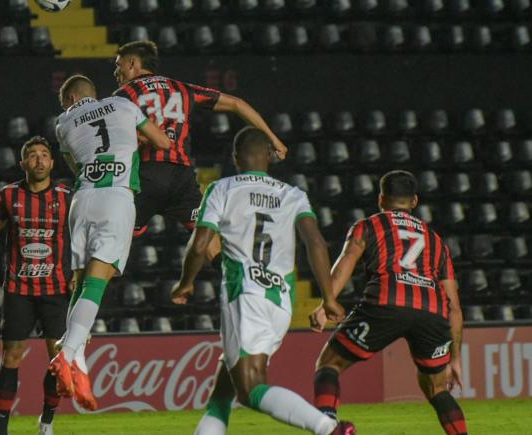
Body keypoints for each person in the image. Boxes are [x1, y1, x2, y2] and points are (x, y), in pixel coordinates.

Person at [171, 127, 355, 435]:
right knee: (222, 396)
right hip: (280, 298)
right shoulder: (293, 194)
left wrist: (186, 281)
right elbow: (316, 244)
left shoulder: (223, 189)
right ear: (270, 156)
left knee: (250, 388)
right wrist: (329, 298)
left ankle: (329, 429)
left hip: (245, 292)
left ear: (235, 158)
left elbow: (201, 242)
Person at [309, 170, 466, 435]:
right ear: (415, 201)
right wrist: (456, 357)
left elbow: (346, 262)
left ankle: (327, 427)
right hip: (431, 309)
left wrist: (327, 302)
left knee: (329, 364)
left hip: (386, 301)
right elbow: (455, 307)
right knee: (437, 388)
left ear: (381, 199)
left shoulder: (368, 225)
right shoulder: (436, 241)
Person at [49, 74, 171, 411]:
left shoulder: (64, 121)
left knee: (80, 283)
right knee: (97, 284)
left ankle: (79, 367)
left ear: (72, 97)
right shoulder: (124, 105)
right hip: (116, 196)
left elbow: (75, 164)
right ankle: (66, 354)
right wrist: (133, 140)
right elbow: (162, 143)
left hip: (82, 198)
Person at [113, 40, 288, 243]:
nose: (116, 71)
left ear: (132, 62)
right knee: (206, 241)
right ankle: (229, 274)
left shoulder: (123, 96)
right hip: (182, 177)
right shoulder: (181, 89)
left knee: (114, 241)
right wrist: (274, 139)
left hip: (145, 176)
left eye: (119, 65)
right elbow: (237, 104)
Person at [0, 136, 72, 435]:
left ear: (52, 163)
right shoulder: (8, 195)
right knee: (11, 357)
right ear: (23, 163)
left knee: (57, 360)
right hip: (19, 291)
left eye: (44, 155)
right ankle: (1, 430)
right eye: (32, 155)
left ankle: (46, 421)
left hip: (56, 290)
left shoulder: (67, 197)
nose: (39, 160)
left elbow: (82, 234)